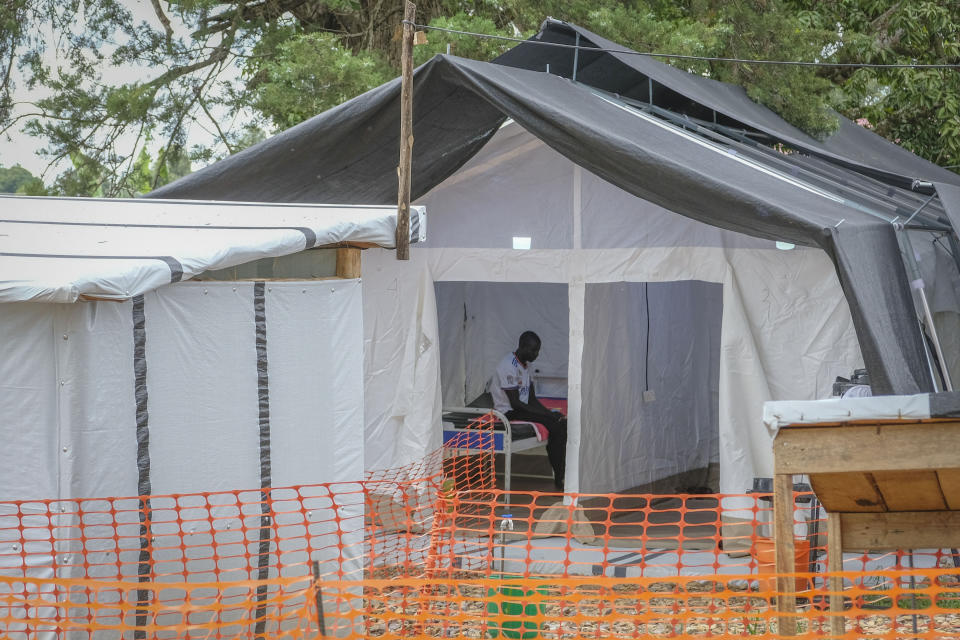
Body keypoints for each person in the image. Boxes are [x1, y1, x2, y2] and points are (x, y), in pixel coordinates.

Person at [489, 331, 567, 490]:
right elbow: (516, 403)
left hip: (522, 408)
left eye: (538, 350)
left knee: (560, 422)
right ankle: (560, 478)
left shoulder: (526, 365)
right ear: (522, 346)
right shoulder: (507, 366)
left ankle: (561, 473)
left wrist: (549, 413)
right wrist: (547, 415)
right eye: (533, 350)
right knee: (555, 425)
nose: (536, 354)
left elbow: (531, 400)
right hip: (508, 412)